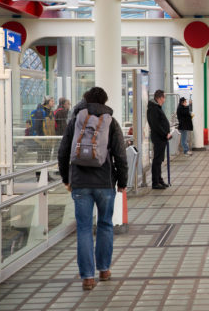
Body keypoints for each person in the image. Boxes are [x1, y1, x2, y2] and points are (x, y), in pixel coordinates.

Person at [57, 87, 128, 291]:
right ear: (105, 101)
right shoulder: (111, 122)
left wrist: (66, 179)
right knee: (105, 225)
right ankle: (104, 270)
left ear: (85, 100)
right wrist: (122, 182)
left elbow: (63, 152)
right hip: (105, 182)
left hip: (80, 183)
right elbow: (120, 155)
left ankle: (88, 277)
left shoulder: (76, 121)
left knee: (84, 228)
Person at [147, 90, 172, 189]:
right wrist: (165, 134)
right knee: (157, 160)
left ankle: (159, 180)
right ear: (159, 98)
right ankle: (155, 182)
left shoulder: (156, 108)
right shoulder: (154, 109)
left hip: (161, 138)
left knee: (159, 160)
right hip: (159, 138)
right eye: (164, 97)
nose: (164, 100)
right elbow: (156, 125)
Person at [31, 96, 55, 162]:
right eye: (52, 101)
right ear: (47, 102)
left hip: (49, 139)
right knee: (41, 158)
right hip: (42, 140)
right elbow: (38, 126)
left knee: (47, 158)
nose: (54, 102)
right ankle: (39, 169)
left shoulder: (51, 112)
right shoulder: (41, 112)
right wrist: (43, 139)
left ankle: (46, 169)